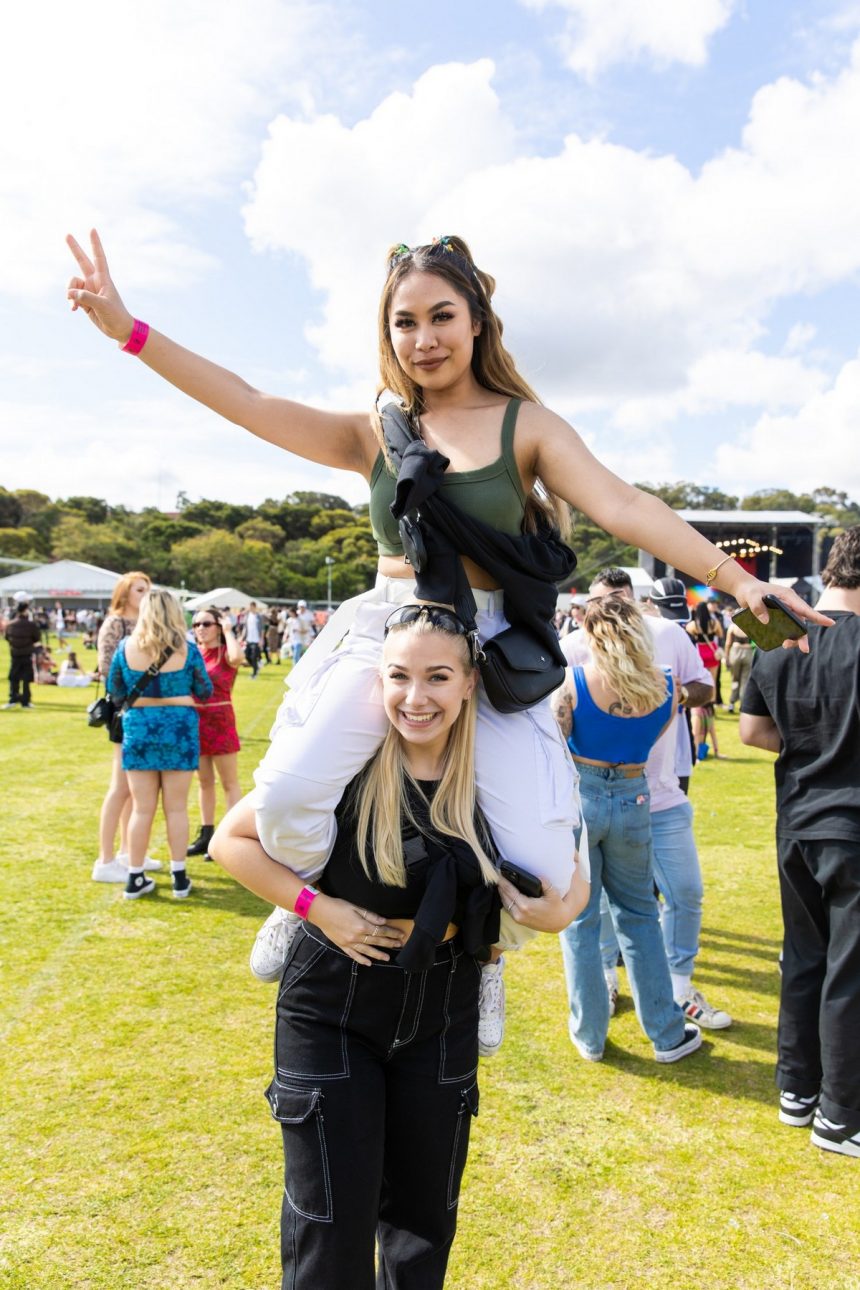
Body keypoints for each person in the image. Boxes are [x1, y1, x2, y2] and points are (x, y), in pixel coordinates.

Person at [66, 230, 827, 979]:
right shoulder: (374, 431)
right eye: (405, 322)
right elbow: (246, 401)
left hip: (488, 649)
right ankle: (302, 897)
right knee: (290, 798)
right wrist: (129, 331)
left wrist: (739, 580)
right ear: (387, 333)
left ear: (477, 321)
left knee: (542, 866)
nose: (424, 339)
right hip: (388, 635)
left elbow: (624, 504)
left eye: (441, 317)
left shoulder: (526, 426)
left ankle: (483, 955)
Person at [210, 606, 586, 1288]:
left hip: (444, 1002)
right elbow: (229, 841)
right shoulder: (346, 763)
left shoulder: (497, 778)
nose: (416, 698)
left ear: (469, 682)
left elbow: (573, 874)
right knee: (331, 1225)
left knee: (423, 1226)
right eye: (399, 677)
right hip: (333, 1001)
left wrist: (560, 913)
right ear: (377, 680)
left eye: (438, 677)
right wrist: (315, 909)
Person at [566, 570, 731, 1030]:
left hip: (655, 792)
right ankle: (613, 989)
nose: (608, 611)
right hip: (610, 794)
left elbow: (701, 688)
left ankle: (675, 990)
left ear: (634, 602)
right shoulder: (574, 649)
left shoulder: (668, 639)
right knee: (604, 908)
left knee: (678, 894)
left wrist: (667, 696)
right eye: (600, 603)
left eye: (616, 601)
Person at [739, 527, 859, 1157]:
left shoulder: (781, 637)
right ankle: (840, 1115)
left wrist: (812, 750)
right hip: (849, 825)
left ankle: (798, 1088)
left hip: (798, 820)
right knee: (847, 969)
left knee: (806, 956)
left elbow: (753, 732)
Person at [553, 595, 704, 1062]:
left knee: (581, 917)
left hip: (584, 795)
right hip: (635, 795)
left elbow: (556, 743)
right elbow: (655, 736)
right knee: (639, 913)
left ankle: (590, 1034)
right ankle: (665, 1032)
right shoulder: (666, 685)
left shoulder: (574, 683)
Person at [108, 588, 213, 900]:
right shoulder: (187, 649)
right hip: (179, 731)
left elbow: (115, 691)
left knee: (142, 810)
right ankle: (179, 876)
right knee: (176, 808)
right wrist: (176, 696)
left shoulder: (125, 647)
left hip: (139, 730)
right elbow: (204, 690)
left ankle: (135, 876)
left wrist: (148, 699)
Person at [91, 572, 162, 882]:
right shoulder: (115, 623)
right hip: (126, 711)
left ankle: (129, 851)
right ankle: (105, 859)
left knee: (136, 790)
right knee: (120, 786)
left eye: (148, 589)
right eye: (140, 590)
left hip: (145, 712)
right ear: (125, 593)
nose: (145, 594)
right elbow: (107, 668)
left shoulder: (147, 623)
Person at [186, 606, 244, 860]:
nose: (200, 628)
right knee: (204, 781)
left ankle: (230, 836)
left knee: (229, 782)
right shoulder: (194, 653)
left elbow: (238, 658)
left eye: (207, 623)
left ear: (218, 626)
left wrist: (229, 631)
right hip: (196, 722)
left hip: (220, 721)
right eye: (196, 624)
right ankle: (206, 834)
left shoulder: (225, 652)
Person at [687, 602, 723, 759]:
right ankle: (710, 705)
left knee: (702, 679)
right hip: (712, 651)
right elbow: (720, 634)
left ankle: (701, 703)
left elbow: (689, 636)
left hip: (701, 651)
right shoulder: (714, 623)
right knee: (713, 680)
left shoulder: (693, 625)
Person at [3, 594, 41, 710]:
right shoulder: (31, 625)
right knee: (26, 677)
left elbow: (6, 637)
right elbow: (37, 638)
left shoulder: (10, 625)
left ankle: (13, 697)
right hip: (26, 653)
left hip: (15, 653)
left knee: (13, 677)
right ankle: (25, 700)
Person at [724, 615, 753, 713]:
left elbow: (728, 643)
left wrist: (726, 657)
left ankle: (731, 703)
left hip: (735, 652)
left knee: (735, 679)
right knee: (745, 680)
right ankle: (743, 704)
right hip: (748, 652)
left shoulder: (732, 627)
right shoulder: (750, 626)